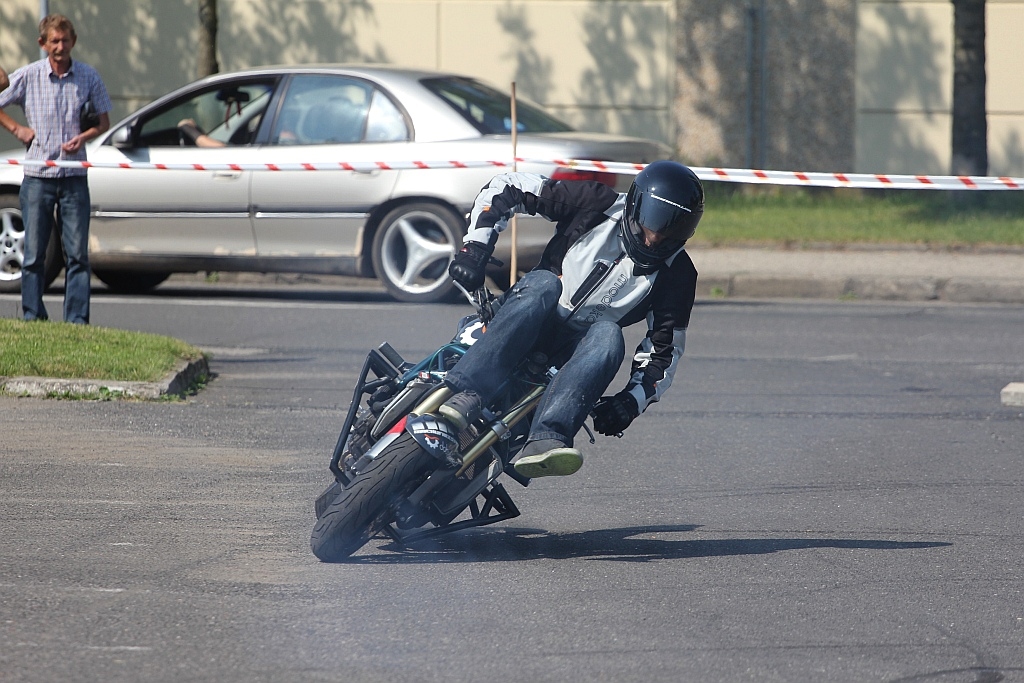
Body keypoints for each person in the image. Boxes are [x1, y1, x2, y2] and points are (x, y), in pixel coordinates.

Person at [440, 160, 703, 478]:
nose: (653, 240)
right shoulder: (596, 203)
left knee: (609, 332)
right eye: (651, 225)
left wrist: (630, 402)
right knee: (545, 283)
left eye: (668, 232)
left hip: (570, 357)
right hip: (525, 314)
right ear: (635, 206)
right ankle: (467, 391)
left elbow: (664, 352)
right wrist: (475, 248)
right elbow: (509, 186)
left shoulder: (678, 275)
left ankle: (547, 437)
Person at [0, 15, 111, 324]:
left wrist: (83, 137)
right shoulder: (29, 75)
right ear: (43, 44)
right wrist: (17, 129)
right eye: (54, 41)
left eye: (65, 40)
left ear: (73, 41)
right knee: (35, 254)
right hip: (38, 177)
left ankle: (76, 320)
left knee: (77, 255)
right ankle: (33, 315)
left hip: (74, 177)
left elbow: (103, 122)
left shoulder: (88, 76)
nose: (60, 47)